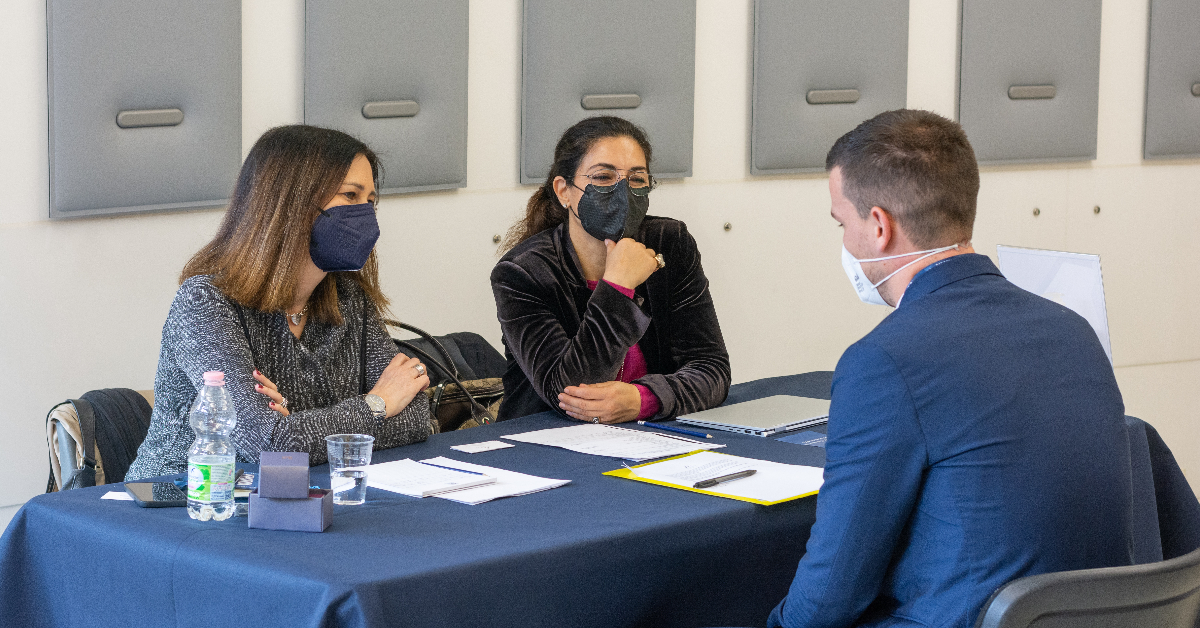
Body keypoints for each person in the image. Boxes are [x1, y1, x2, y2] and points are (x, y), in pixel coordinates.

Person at [767, 110, 1134, 628]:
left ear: (877, 226)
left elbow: (830, 594)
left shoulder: (885, 360)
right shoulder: (1071, 329)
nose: (844, 242)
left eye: (841, 223)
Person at [127, 125, 433, 480]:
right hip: (184, 499)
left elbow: (415, 418)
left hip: (291, 492)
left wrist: (296, 430)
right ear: (289, 203)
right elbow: (268, 441)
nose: (366, 214)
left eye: (370, 201)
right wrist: (376, 404)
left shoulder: (349, 297)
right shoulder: (204, 302)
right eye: (351, 196)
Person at [491, 116, 730, 422]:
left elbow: (711, 368)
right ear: (564, 190)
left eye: (637, 179)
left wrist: (644, 399)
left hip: (653, 438)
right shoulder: (522, 272)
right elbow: (568, 391)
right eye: (603, 177)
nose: (623, 192)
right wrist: (617, 287)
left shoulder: (670, 243)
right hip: (544, 442)